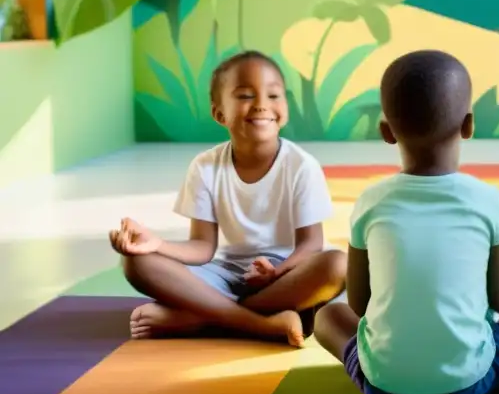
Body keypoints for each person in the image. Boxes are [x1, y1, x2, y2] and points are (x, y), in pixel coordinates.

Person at [313, 49, 499, 394]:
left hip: (383, 386)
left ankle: (393, 366)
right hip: (469, 381)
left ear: (386, 131)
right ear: (469, 125)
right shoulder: (487, 200)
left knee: (326, 317)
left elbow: (359, 304)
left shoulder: (369, 202)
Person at [109, 50, 347, 347]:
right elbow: (202, 247)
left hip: (287, 274)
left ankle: (199, 318)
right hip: (227, 273)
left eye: (274, 95)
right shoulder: (205, 166)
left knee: (337, 265)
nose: (262, 105)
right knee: (136, 264)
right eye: (246, 95)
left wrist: (277, 272)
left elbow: (311, 244)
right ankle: (260, 324)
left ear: (285, 107)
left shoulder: (301, 165)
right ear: (219, 113)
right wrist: (157, 244)